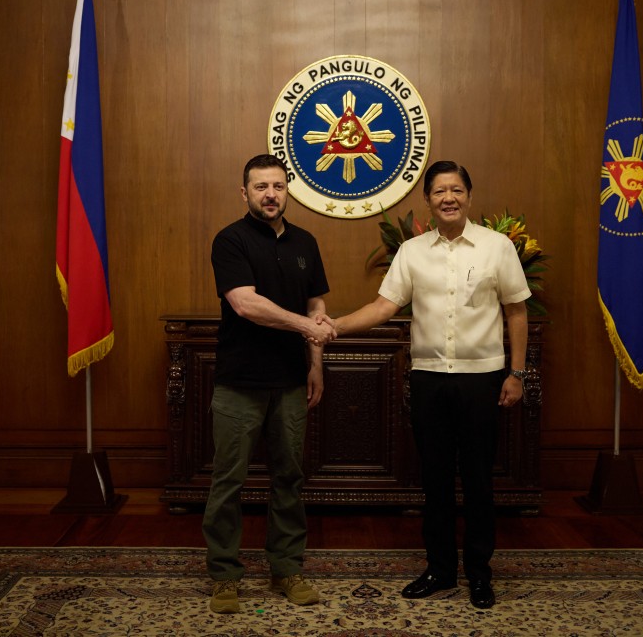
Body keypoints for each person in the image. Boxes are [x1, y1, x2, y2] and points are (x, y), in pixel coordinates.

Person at [321, 160, 530, 609]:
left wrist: (516, 372)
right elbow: (382, 307)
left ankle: (479, 574)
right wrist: (332, 326)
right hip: (430, 380)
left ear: (469, 197)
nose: (448, 198)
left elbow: (516, 311)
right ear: (428, 201)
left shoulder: (497, 248)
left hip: (483, 380)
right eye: (439, 192)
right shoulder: (413, 251)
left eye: (456, 190)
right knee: (433, 481)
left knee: (478, 481)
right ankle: (439, 570)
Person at [202, 153, 336, 614]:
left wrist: (315, 364)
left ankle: (286, 568)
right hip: (239, 382)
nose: (270, 195)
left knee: (290, 478)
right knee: (228, 480)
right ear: (245, 193)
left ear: (288, 190)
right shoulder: (230, 240)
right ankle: (224, 574)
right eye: (260, 187)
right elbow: (245, 304)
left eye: (278, 186)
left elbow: (315, 305)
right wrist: (305, 327)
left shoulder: (306, 241)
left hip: (291, 383)